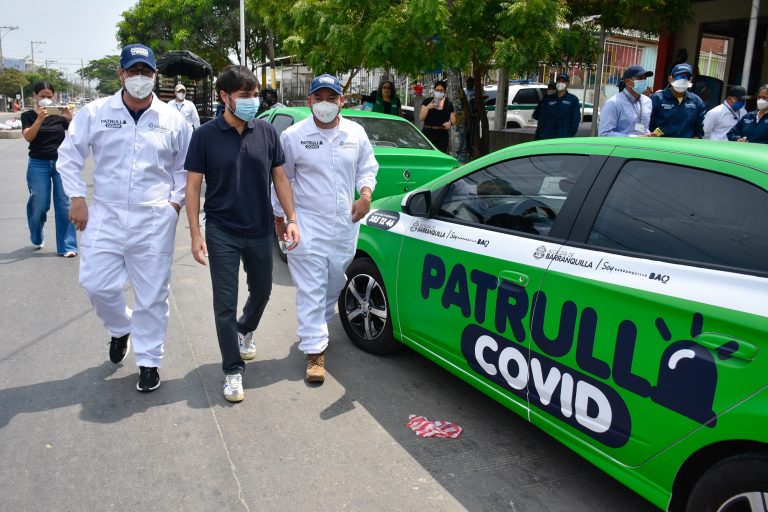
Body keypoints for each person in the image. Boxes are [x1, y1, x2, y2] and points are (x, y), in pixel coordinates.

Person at [57, 43, 191, 393]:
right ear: (121, 74)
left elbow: (186, 170)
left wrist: (173, 207)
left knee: (152, 295)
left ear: (155, 75)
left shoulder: (172, 119)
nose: (140, 78)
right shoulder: (96, 112)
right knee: (95, 283)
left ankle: (149, 361)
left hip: (154, 217)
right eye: (133, 71)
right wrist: (77, 198)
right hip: (106, 213)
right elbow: (69, 156)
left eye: (146, 72)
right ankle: (120, 327)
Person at [185, 66, 299, 402]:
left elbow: (280, 178)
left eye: (254, 94)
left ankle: (245, 329)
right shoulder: (204, 135)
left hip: (260, 226)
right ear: (225, 96)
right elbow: (193, 187)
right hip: (221, 230)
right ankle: (232, 370)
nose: (252, 101)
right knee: (224, 304)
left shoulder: (265, 132)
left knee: (262, 290)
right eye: (245, 95)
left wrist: (291, 217)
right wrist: (195, 233)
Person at [274, 73, 378, 383]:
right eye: (318, 98)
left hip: (345, 226)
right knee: (310, 288)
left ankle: (316, 324)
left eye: (331, 98)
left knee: (334, 282)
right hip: (306, 224)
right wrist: (282, 218)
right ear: (309, 102)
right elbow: (282, 180)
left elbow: (367, 168)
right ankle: (314, 352)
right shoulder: (293, 136)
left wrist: (365, 195)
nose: (325, 104)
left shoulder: (356, 133)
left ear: (341, 101)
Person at [21, 82, 78, 256]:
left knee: (64, 204)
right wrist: (39, 119)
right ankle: (37, 234)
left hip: (61, 164)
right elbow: (28, 137)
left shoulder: (59, 115)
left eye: (49, 96)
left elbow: (79, 134)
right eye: (42, 96)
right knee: (40, 203)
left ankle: (67, 246)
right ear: (35, 96)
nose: (46, 99)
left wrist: (70, 118)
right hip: (38, 163)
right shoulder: (28, 115)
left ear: (54, 97)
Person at [649, 63, 707, 138]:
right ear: (670, 79)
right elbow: (648, 126)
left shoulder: (697, 102)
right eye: (678, 76)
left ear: (690, 80)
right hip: (660, 146)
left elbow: (699, 131)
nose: (682, 80)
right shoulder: (657, 99)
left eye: (686, 77)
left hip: (684, 147)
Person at [599, 66, 654, 137]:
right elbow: (604, 134)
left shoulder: (647, 101)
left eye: (645, 79)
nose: (643, 82)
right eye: (640, 78)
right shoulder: (614, 103)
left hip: (642, 147)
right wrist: (634, 138)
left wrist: (649, 134)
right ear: (627, 81)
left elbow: (644, 129)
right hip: (622, 147)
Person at [532, 73, 581, 140]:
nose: (560, 83)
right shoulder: (548, 99)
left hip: (563, 138)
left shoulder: (573, 100)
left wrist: (569, 134)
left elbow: (575, 120)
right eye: (559, 81)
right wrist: (540, 134)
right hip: (546, 137)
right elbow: (541, 119)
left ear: (568, 84)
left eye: (563, 81)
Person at [419, 80, 455, 153]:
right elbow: (421, 118)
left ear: (444, 92)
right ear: (434, 90)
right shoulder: (427, 101)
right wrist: (428, 107)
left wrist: (450, 123)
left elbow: (453, 119)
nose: (439, 92)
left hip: (442, 134)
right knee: (427, 155)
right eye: (437, 90)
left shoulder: (448, 104)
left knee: (440, 155)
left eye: (441, 91)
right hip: (427, 132)